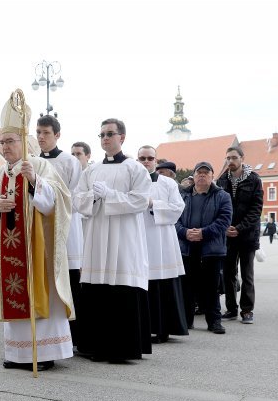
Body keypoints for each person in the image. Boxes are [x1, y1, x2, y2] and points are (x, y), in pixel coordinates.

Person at [0, 91, 74, 371]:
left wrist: (35, 183)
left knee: (38, 294)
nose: (5, 146)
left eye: (10, 141)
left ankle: (43, 353)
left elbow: (61, 200)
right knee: (15, 292)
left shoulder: (40, 165)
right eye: (2, 141)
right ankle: (17, 353)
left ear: (24, 141)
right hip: (11, 249)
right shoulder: (0, 173)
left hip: (38, 249)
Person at [73, 118, 152, 361]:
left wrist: (110, 195)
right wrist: (94, 199)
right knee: (97, 291)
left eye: (110, 134)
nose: (105, 138)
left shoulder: (134, 168)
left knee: (121, 289)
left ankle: (123, 349)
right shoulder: (92, 170)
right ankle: (96, 347)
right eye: (102, 135)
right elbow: (77, 199)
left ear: (122, 138)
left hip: (123, 237)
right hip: (97, 236)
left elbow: (141, 200)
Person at [35, 115, 84, 347]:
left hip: (66, 226)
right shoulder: (33, 162)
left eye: (45, 133)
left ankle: (73, 333)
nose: (41, 137)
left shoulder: (68, 161)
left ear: (57, 135)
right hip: (40, 229)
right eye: (38, 133)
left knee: (70, 278)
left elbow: (74, 194)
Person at [137, 146, 187, 343]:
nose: (146, 161)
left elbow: (178, 208)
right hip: (139, 237)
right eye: (142, 158)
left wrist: (153, 205)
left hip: (161, 239)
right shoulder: (132, 181)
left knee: (161, 283)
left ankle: (163, 328)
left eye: (150, 158)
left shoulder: (168, 183)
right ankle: (143, 328)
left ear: (156, 161)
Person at [176, 162, 232, 334]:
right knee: (187, 286)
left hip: (211, 249)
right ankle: (186, 321)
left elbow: (224, 221)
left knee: (211, 287)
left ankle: (214, 321)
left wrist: (203, 233)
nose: (202, 175)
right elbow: (173, 219)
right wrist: (185, 232)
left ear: (212, 176)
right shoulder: (182, 195)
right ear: (193, 176)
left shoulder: (222, 196)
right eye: (199, 173)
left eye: (206, 173)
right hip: (186, 246)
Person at [217, 145, 263, 325]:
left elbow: (256, 209)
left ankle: (247, 310)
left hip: (247, 235)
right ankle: (231, 308)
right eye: (228, 158)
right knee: (228, 273)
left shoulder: (254, 179)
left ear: (242, 158)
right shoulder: (222, 180)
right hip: (227, 235)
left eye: (234, 158)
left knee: (247, 274)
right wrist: (226, 226)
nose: (230, 161)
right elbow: (219, 207)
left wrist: (240, 227)